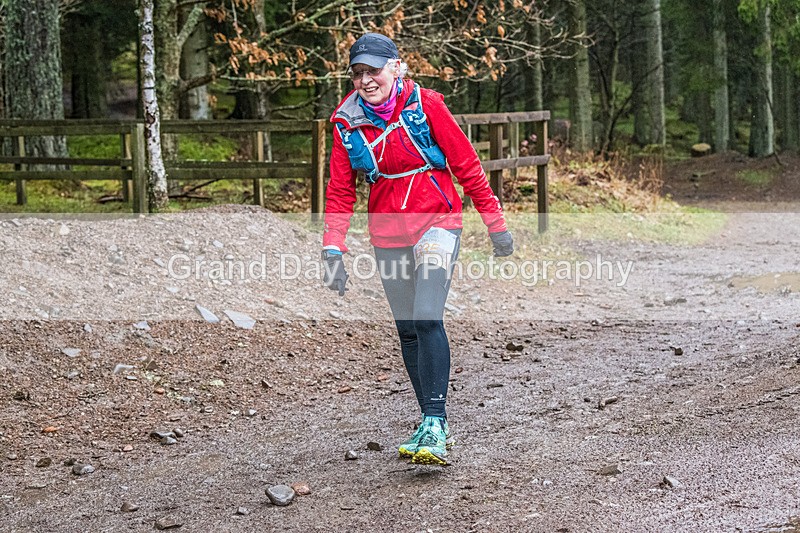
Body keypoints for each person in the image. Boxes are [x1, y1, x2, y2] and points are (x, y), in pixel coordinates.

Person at [322, 33, 514, 466]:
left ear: (396, 67)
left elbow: (466, 164)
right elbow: (339, 190)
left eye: (373, 70)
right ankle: (428, 417)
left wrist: (495, 223)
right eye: (357, 73)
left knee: (427, 315)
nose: (366, 80)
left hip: (437, 222)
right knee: (407, 328)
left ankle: (435, 421)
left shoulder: (426, 105)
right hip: (388, 231)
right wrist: (332, 247)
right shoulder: (346, 122)